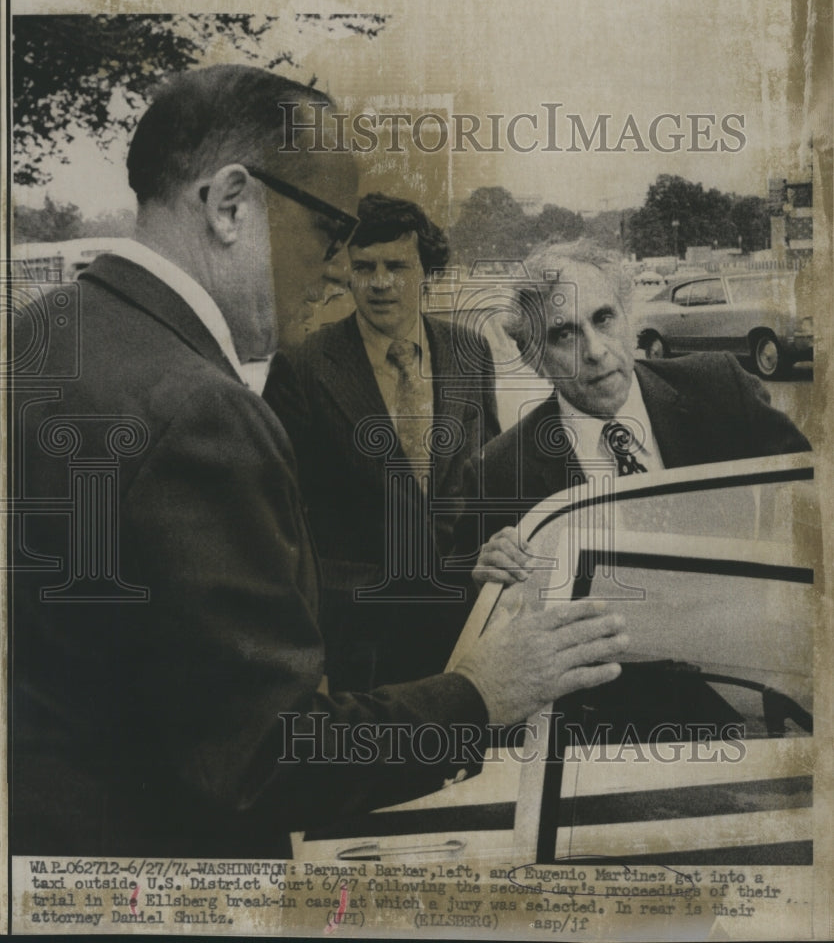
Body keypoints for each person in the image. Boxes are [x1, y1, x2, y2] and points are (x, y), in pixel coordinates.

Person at [10, 66, 628, 859]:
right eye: (330, 235)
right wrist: (480, 694)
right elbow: (268, 758)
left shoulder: (50, 332)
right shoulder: (203, 410)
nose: (341, 270)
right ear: (231, 205)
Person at [466, 241, 811, 586]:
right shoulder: (498, 472)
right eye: (564, 334)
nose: (596, 350)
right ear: (533, 360)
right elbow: (464, 602)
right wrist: (486, 577)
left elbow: (810, 487)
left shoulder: (719, 388)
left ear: (630, 321)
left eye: (603, 318)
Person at [263, 193, 500, 690]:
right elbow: (276, 517)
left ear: (427, 273)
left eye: (398, 265)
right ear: (346, 273)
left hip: (463, 629)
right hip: (356, 643)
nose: (381, 282)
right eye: (364, 266)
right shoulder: (302, 368)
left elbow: (490, 478)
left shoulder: (470, 350)